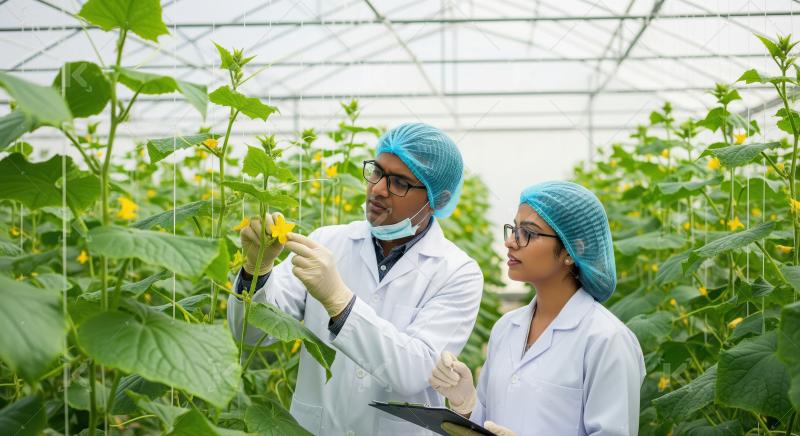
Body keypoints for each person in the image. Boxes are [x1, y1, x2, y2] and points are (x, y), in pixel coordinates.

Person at [228, 123, 484, 435]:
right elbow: (251, 335)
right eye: (377, 171)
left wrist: (338, 300)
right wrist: (256, 271)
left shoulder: (458, 272)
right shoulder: (328, 241)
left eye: (399, 183)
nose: (377, 188)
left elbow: (413, 372)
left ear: (436, 200)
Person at [429, 181, 645, 436]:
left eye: (527, 233)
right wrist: (465, 405)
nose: (510, 242)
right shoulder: (506, 328)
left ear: (572, 250)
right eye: (513, 229)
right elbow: (487, 424)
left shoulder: (607, 340)